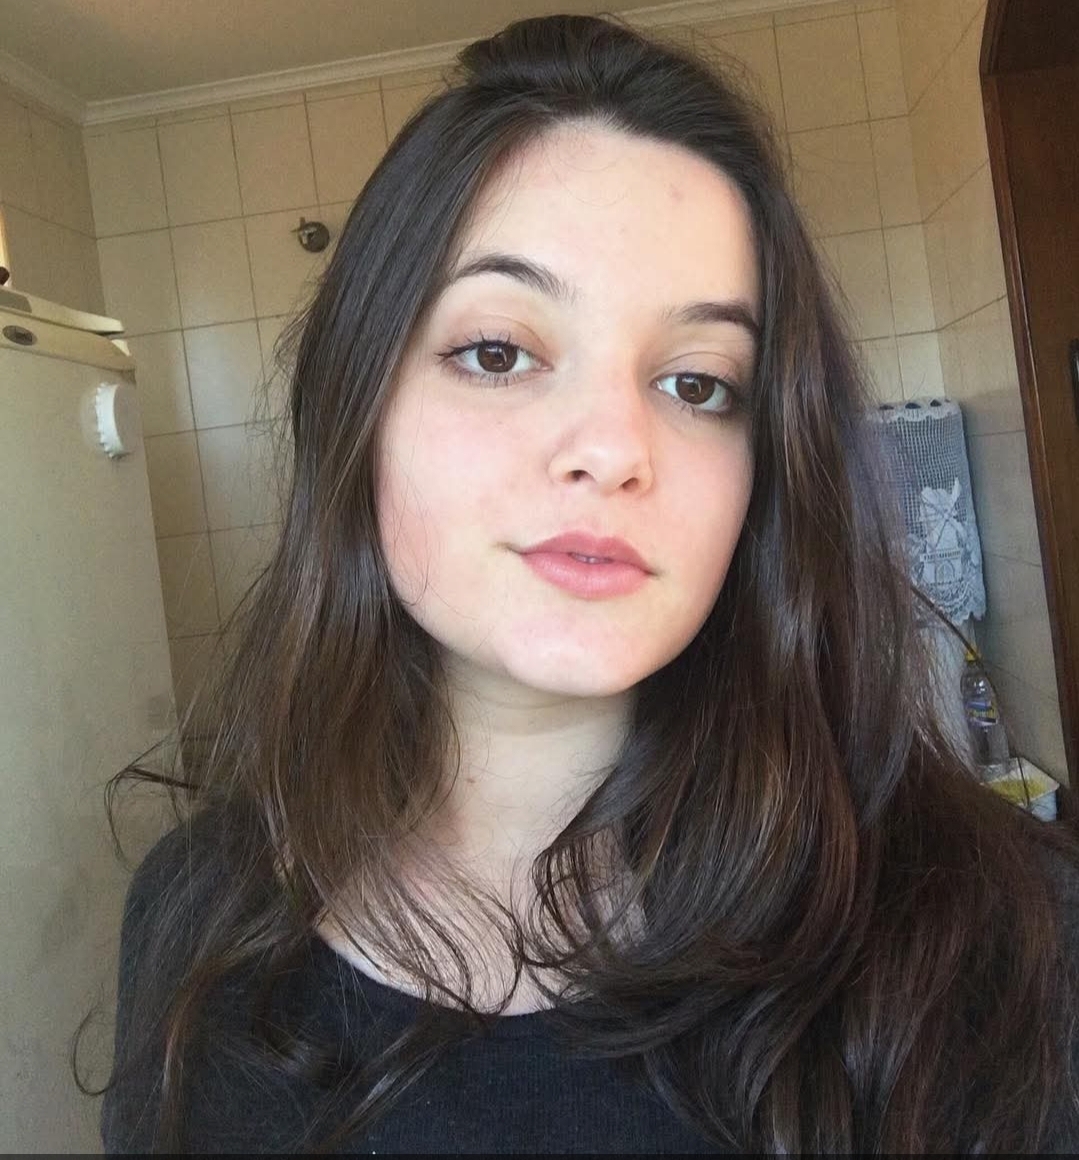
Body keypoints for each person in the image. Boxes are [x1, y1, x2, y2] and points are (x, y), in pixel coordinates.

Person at [94, 12, 1079, 1154]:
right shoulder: (194, 921)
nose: (613, 449)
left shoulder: (1005, 945)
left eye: (697, 383)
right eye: (498, 352)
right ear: (355, 409)